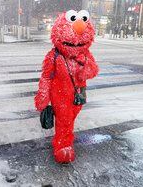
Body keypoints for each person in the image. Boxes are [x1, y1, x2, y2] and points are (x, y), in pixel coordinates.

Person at [35, 10, 99, 163]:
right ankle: (62, 146)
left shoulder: (85, 54)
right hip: (60, 96)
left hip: (79, 95)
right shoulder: (54, 56)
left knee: (70, 120)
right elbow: (46, 77)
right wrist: (43, 97)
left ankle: (64, 140)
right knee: (64, 121)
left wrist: (84, 65)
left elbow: (92, 71)